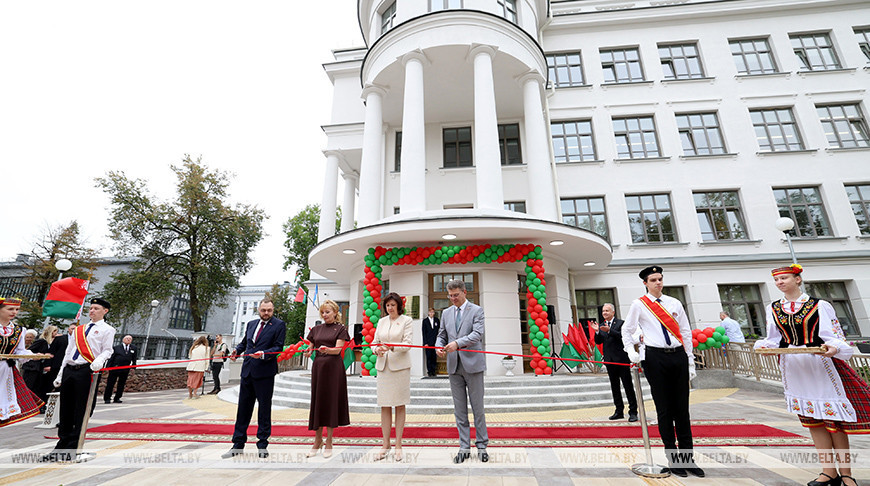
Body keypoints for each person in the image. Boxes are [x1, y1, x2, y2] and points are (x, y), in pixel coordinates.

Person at [754, 264, 868, 486]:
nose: (780, 283)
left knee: (834, 423)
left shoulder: (819, 305)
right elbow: (773, 338)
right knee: (813, 422)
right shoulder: (774, 308)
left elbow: (834, 335)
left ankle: (846, 474)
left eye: (784, 278)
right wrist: (765, 347)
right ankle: (829, 472)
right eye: (777, 280)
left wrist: (834, 348)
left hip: (820, 365)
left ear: (798, 279)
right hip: (794, 368)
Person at [621, 266, 703, 478]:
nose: (658, 283)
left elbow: (685, 331)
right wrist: (630, 351)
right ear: (645, 283)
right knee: (665, 409)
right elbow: (627, 329)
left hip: (677, 356)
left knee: (682, 410)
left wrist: (690, 361)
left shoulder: (674, 303)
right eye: (653, 280)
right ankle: (673, 458)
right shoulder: (639, 304)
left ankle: (688, 459)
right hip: (655, 358)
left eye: (660, 279)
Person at [44, 298, 115, 462]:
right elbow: (69, 352)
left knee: (81, 409)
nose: (92, 311)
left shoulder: (107, 329)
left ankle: (74, 446)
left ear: (105, 311)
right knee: (66, 409)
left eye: (96, 308)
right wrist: (61, 373)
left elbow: (108, 350)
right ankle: (61, 445)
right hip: (70, 369)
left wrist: (100, 360)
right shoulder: (79, 329)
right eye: (91, 308)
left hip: (86, 370)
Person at [222, 298, 286, 459]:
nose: (266, 313)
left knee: (264, 409)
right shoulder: (251, 324)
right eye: (263, 310)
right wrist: (237, 350)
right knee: (243, 409)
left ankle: (262, 444)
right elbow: (245, 343)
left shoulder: (279, 325)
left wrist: (264, 354)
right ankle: (237, 444)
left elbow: (278, 347)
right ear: (259, 309)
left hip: (265, 373)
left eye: (269, 310)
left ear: (273, 310)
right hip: (247, 372)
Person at [436, 279, 489, 463]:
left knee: (478, 408)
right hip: (453, 366)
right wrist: (438, 346)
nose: (453, 299)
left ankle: (482, 446)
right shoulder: (445, 313)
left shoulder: (477, 310)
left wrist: (457, 343)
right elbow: (441, 334)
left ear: (464, 292)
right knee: (459, 410)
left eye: (456, 295)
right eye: (450, 296)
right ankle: (464, 447)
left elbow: (477, 334)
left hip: (473, 366)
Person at [304, 300, 350, 459]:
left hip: (333, 369)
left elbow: (338, 350)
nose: (325, 315)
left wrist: (328, 350)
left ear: (335, 312)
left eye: (328, 312)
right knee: (318, 402)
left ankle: (329, 441)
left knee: (331, 403)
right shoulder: (316, 329)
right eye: (323, 312)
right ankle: (317, 440)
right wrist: (308, 352)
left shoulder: (341, 329)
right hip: (318, 369)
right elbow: (310, 347)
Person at [372, 292, 413, 461]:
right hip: (383, 367)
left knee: (399, 405)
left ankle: (398, 445)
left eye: (393, 305)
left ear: (398, 306)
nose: (390, 308)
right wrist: (377, 349)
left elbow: (408, 343)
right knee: (385, 405)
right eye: (387, 305)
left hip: (400, 368)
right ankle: (385, 444)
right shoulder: (381, 321)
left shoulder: (406, 321)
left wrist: (391, 347)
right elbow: (374, 342)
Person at [0, 298, 44, 427]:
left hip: (6, 370)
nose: (14, 312)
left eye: (17, 309)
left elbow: (19, 352)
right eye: (10, 309)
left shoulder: (19, 330)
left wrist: (33, 356)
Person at [591, 303, 638, 422]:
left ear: (613, 312)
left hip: (622, 360)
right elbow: (598, 342)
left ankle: (633, 412)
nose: (604, 313)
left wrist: (610, 330)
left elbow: (623, 337)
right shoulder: (601, 325)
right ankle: (619, 411)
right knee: (615, 387)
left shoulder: (621, 324)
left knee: (628, 386)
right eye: (603, 311)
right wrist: (597, 332)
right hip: (610, 361)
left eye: (607, 311)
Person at [23, 325, 57, 406]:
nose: (56, 333)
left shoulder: (48, 342)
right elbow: (29, 350)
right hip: (32, 367)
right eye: (55, 331)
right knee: (29, 385)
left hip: (38, 367)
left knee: (36, 386)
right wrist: (43, 355)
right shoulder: (41, 341)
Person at [104, 335, 137, 404]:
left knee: (121, 384)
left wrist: (134, 366)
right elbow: (111, 358)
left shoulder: (133, 348)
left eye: (130, 339)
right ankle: (107, 398)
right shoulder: (116, 348)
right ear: (123, 340)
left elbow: (134, 358)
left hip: (125, 369)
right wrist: (108, 367)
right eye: (127, 338)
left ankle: (117, 397)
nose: (128, 340)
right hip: (115, 368)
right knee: (111, 383)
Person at [422, 308, 440, 377]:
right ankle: (429, 371)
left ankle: (434, 370)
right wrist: (425, 343)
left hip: (435, 342)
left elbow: (439, 331)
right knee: (429, 357)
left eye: (432, 312)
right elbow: (424, 332)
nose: (431, 313)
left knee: (434, 357)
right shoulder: (425, 321)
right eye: (430, 312)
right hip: (428, 343)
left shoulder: (437, 320)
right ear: (428, 313)